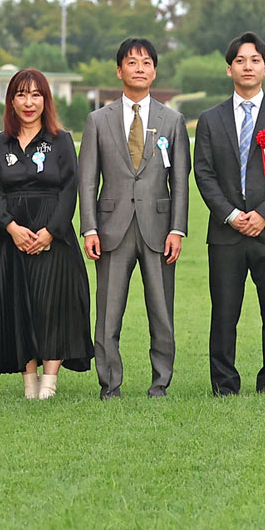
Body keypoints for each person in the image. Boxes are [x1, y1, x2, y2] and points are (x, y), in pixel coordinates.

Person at [191, 32, 265, 395]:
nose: (247, 67)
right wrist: (230, 214)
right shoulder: (210, 119)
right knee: (224, 313)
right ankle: (224, 383)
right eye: (240, 61)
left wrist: (263, 214)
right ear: (229, 69)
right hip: (226, 233)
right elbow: (203, 173)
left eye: (255, 60)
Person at [79, 37, 191, 399]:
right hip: (111, 229)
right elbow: (87, 179)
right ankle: (110, 384)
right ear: (119, 70)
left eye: (146, 63)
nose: (139, 69)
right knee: (108, 313)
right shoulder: (98, 120)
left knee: (161, 312)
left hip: (159, 229)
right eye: (131, 62)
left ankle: (160, 383)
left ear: (154, 72)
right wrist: (90, 228)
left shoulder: (172, 121)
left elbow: (180, 180)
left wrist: (177, 229)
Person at [0, 69, 93, 398]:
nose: (28, 102)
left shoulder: (60, 140)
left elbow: (69, 189)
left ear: (46, 100)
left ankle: (49, 381)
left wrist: (50, 232)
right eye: (21, 94)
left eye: (36, 94)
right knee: (18, 306)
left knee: (52, 306)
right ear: (11, 101)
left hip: (54, 238)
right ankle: (29, 381)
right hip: (13, 238)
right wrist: (11, 227)